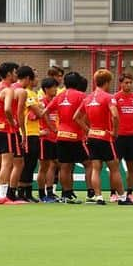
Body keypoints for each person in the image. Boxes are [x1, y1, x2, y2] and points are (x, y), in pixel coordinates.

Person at [75, 69, 133, 206]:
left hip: (92, 136)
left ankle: (98, 196)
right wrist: (114, 131)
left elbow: (76, 117)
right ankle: (122, 197)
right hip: (105, 136)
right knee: (114, 168)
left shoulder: (88, 98)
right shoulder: (108, 97)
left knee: (96, 168)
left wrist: (88, 130)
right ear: (107, 82)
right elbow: (115, 115)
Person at [46, 71, 88, 204]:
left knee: (65, 167)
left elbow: (44, 112)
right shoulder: (81, 95)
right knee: (90, 164)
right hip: (76, 136)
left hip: (61, 135)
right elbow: (87, 114)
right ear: (77, 83)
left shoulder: (59, 96)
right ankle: (92, 192)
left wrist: (53, 129)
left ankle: (66, 194)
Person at [16, 65, 55, 202]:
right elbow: (38, 113)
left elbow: (38, 113)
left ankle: (27, 192)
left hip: (35, 133)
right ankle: (21, 192)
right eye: (35, 77)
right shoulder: (25, 93)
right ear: (29, 79)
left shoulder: (33, 94)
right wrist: (47, 107)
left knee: (32, 164)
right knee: (27, 164)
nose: (37, 79)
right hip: (28, 132)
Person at [0, 62, 23, 205]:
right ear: (9, 74)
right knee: (7, 164)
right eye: (15, 72)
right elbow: (8, 109)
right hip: (7, 130)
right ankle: (3, 196)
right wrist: (12, 122)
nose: (16, 75)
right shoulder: (8, 90)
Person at [112, 72, 133, 203]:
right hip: (118, 136)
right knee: (114, 166)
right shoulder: (115, 98)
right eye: (126, 83)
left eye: (130, 82)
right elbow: (113, 117)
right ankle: (114, 193)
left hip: (131, 136)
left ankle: (129, 192)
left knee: (131, 166)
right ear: (121, 84)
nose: (128, 85)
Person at [37, 76, 61, 202]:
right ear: (46, 89)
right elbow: (42, 115)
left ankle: (50, 192)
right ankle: (42, 194)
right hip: (45, 138)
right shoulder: (42, 102)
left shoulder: (56, 101)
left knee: (54, 165)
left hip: (55, 138)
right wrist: (51, 128)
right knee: (44, 166)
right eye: (53, 87)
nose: (56, 89)